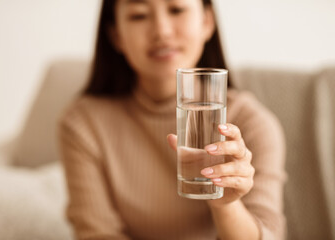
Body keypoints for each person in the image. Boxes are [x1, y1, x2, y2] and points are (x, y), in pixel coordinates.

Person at [58, 0, 286, 239]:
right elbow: (97, 234)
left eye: (176, 10)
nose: (162, 31)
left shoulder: (252, 123)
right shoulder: (83, 124)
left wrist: (224, 204)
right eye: (139, 15)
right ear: (115, 35)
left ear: (207, 22)